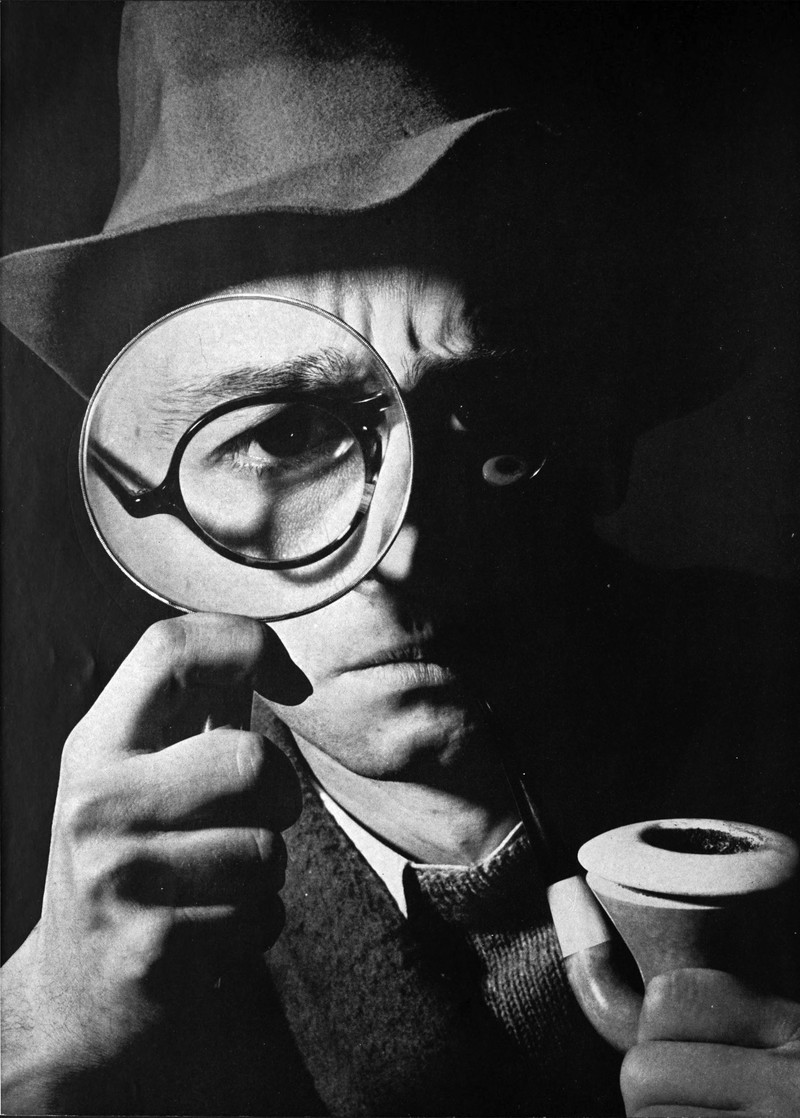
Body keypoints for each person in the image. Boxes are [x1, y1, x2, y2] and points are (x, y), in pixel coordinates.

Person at [2, 3, 798, 1115]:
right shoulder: (57, 913)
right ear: (156, 508)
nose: (407, 549)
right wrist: (33, 1053)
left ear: (602, 443)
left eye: (491, 410)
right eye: (282, 434)